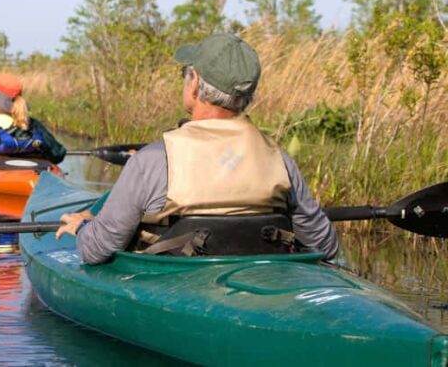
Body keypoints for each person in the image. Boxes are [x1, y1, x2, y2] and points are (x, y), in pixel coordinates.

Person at [56, 33, 338, 263]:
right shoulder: (280, 160)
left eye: (185, 73)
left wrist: (82, 227)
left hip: (173, 292)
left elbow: (96, 250)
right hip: (263, 292)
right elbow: (325, 244)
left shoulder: (153, 161)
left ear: (194, 85)